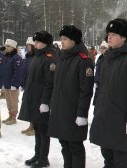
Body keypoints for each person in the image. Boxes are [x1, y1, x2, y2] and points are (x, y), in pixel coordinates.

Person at [89, 18, 127, 168]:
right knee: (107, 157)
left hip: (122, 121)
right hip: (105, 118)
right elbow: (102, 89)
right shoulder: (107, 59)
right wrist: (97, 111)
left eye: (114, 34)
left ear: (124, 37)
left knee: (122, 160)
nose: (109, 37)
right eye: (108, 33)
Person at [48, 25, 94, 168]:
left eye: (65, 39)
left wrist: (82, 114)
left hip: (73, 112)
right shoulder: (62, 57)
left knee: (75, 145)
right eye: (61, 38)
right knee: (64, 144)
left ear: (74, 40)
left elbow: (85, 91)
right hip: (60, 110)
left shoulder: (83, 60)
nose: (62, 41)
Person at [18, 31, 56, 168]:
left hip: (42, 100)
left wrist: (45, 102)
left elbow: (49, 83)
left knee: (43, 130)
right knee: (37, 128)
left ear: (45, 43)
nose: (35, 44)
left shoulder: (49, 57)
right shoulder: (37, 56)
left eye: (38, 41)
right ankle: (37, 154)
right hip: (34, 98)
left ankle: (43, 158)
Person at [2, 39, 23, 125]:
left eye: (8, 46)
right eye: (6, 46)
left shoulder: (16, 58)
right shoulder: (6, 56)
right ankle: (10, 115)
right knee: (8, 101)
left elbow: (18, 72)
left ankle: (13, 117)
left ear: (13, 47)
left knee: (13, 101)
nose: (6, 48)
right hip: (7, 83)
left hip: (13, 84)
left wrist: (15, 84)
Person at [20, 37, 36, 136]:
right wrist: (23, 83)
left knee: (34, 107)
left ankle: (35, 127)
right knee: (28, 107)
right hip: (27, 85)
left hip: (34, 86)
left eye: (28, 45)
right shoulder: (28, 57)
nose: (27, 47)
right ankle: (31, 125)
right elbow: (24, 71)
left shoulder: (35, 57)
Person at [93, 40, 108, 105]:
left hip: (105, 82)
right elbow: (97, 69)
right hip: (99, 82)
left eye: (104, 48)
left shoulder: (109, 58)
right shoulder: (100, 58)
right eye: (101, 48)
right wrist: (96, 79)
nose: (102, 50)